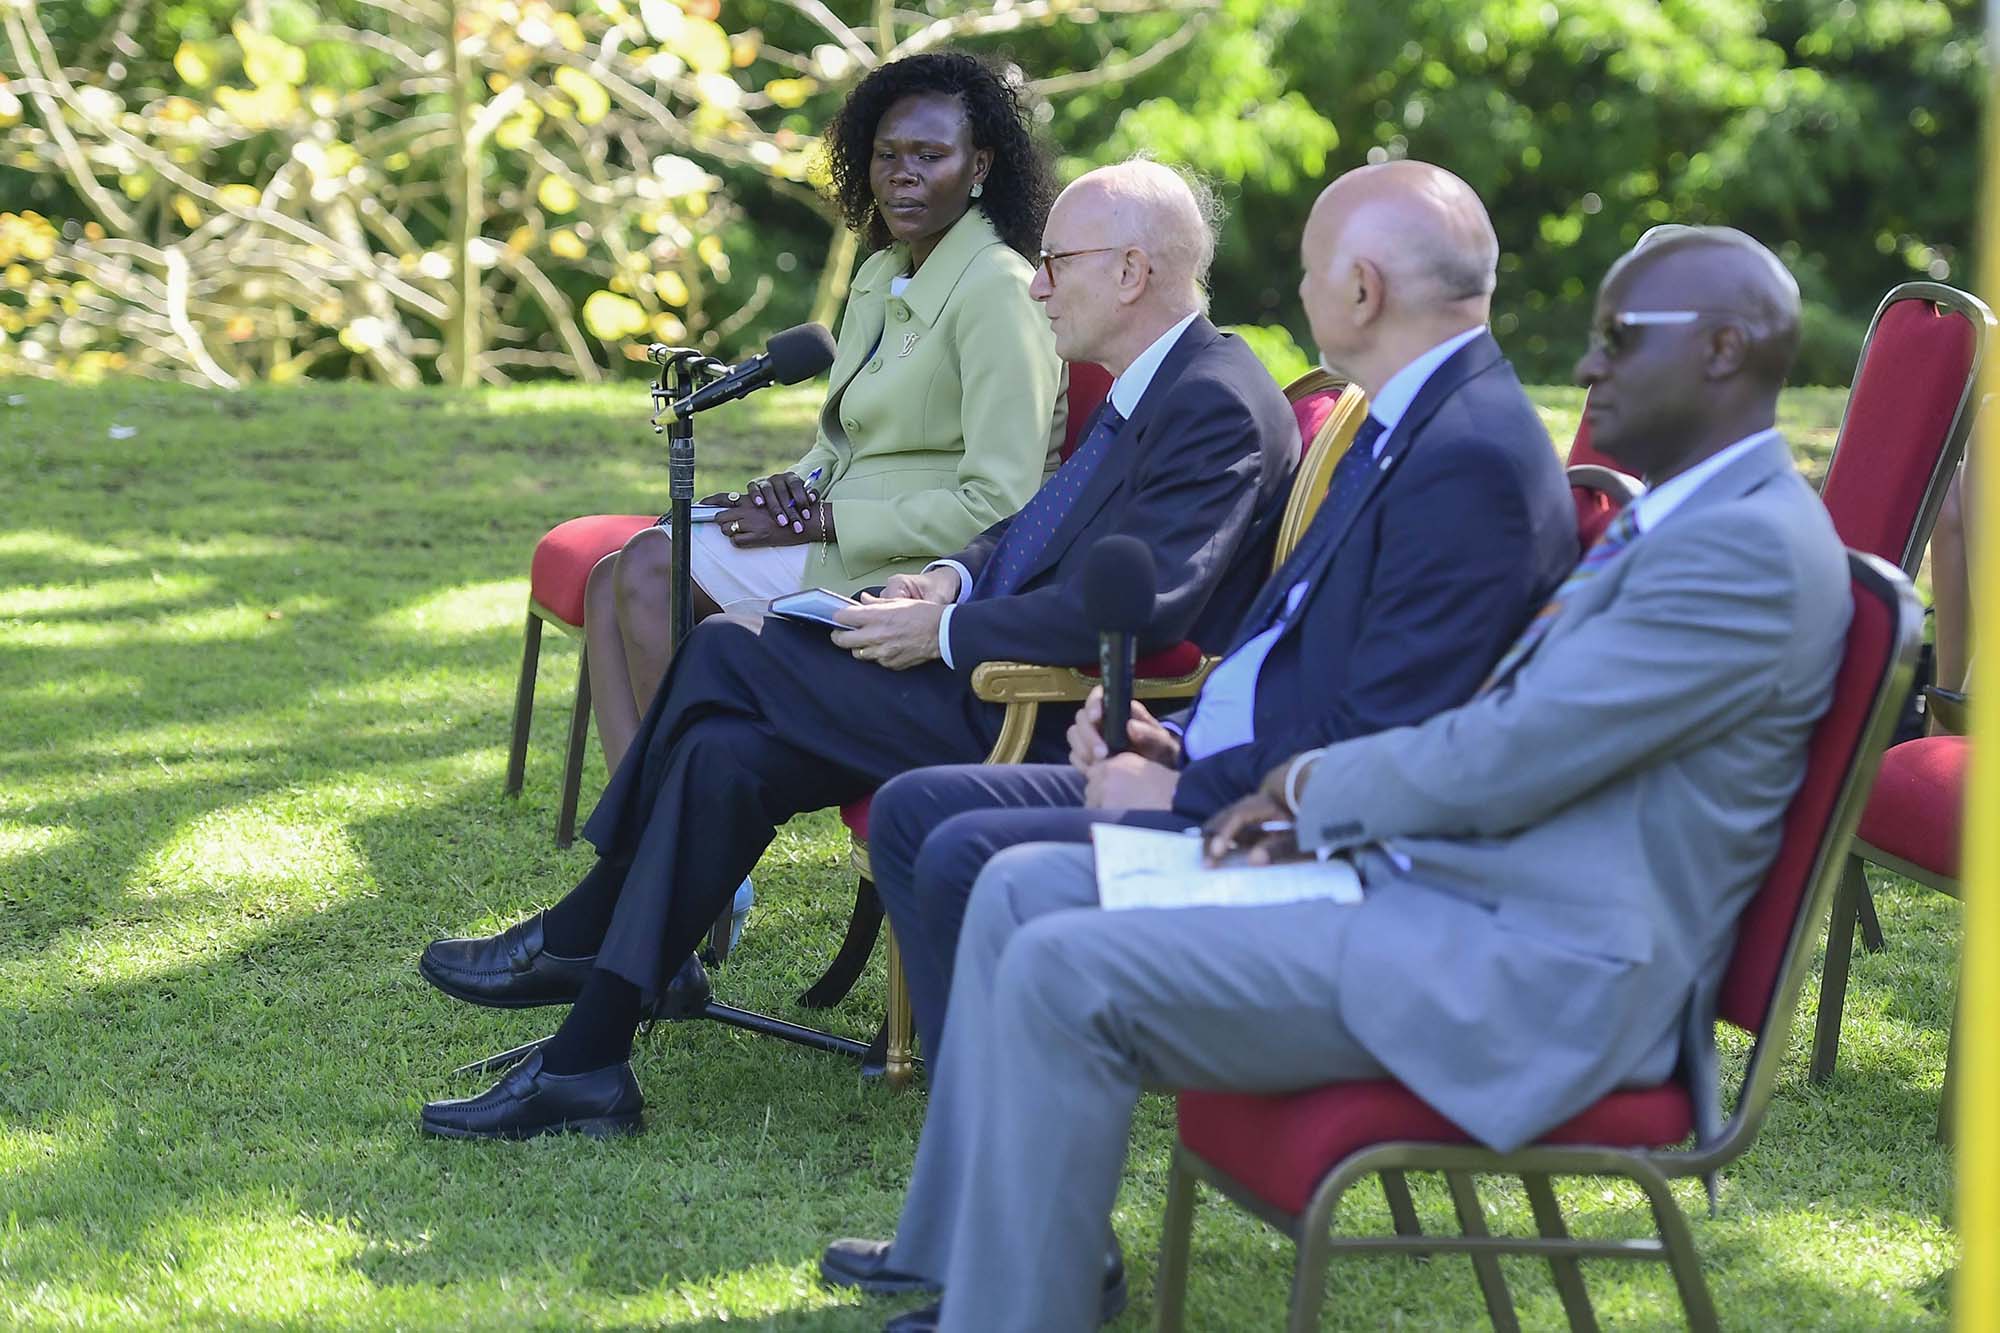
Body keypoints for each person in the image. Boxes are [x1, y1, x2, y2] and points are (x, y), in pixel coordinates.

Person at [827, 226, 1852, 1332]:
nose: (1589, 364)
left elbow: (1509, 752)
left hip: (1539, 974)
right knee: (1022, 892)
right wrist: (1263, 794)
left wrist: (1294, 796)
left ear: (1722, 348)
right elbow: (1511, 741)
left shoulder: (1742, 546)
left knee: (1061, 964)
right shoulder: (1695, 517)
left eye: (1613, 337)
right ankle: (1019, 1268)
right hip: (1448, 891)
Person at [415, 160, 1300, 1141]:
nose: (1038, 281)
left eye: (1056, 262)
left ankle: (585, 927)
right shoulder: (1158, 383)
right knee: (724, 754)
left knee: (721, 653)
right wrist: (951, 580)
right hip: (976, 671)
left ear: (1131, 271)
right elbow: (1032, 532)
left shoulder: (1214, 399)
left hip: (1041, 715)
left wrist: (948, 630)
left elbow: (1145, 605)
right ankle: (587, 1060)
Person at [845, 160, 1578, 1078]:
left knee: (970, 854)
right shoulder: (1412, 424)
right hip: (1222, 766)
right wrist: (1176, 741)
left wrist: (1192, 788)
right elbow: (1295, 650)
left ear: (1362, 288)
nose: (1300, 292)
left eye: (1311, 272)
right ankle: (982, 1120)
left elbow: (1390, 732)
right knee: (918, 809)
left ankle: (993, 1120)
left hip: (1296, 839)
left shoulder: (1468, 458)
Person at [584, 51, 1064, 773]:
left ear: (979, 166)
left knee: (654, 566)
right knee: (609, 576)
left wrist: (828, 517)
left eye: (930, 155)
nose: (903, 173)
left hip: (905, 564)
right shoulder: (881, 273)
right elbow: (842, 443)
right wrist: (796, 486)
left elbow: (1004, 502)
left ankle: (676, 849)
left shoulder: (998, 291)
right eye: (887, 154)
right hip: (830, 528)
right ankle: (644, 834)